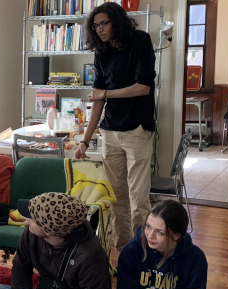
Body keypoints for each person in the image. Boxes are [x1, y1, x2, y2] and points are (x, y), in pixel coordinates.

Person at [74, 2, 156, 251]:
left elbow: (143, 87)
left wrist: (106, 93)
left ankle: (143, 252)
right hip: (109, 133)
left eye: (104, 23)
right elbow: (98, 100)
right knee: (117, 198)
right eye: (96, 25)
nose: (99, 29)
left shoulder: (140, 40)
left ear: (116, 21)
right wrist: (85, 141)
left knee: (139, 199)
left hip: (137, 131)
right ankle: (124, 252)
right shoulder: (101, 52)